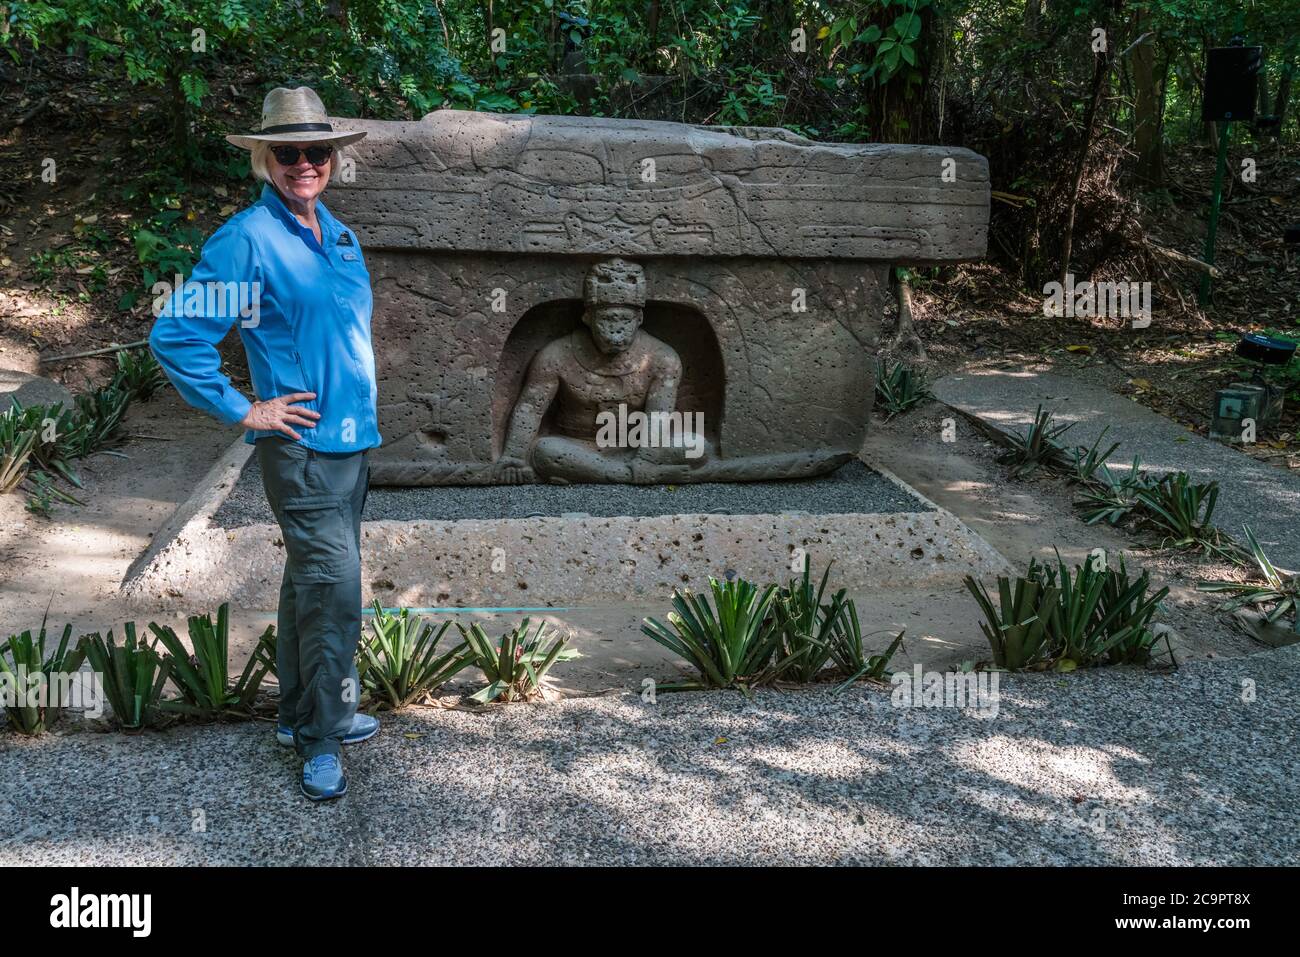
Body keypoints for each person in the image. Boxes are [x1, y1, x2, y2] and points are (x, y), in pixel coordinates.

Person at [149, 86, 380, 801]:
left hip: (352, 446)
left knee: (308, 584)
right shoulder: (248, 238)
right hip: (303, 451)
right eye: (288, 153)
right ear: (264, 159)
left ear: (331, 160)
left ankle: (292, 714)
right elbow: (177, 334)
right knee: (336, 593)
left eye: (316, 151)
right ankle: (321, 734)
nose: (304, 163)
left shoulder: (337, 233)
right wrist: (245, 409)